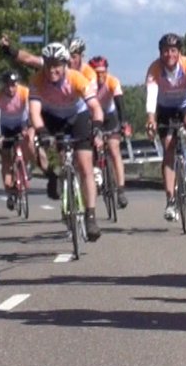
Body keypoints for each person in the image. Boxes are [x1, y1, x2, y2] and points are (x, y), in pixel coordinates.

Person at [29, 42, 106, 241]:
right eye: (48, 65)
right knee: (37, 141)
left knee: (85, 165)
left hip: (77, 116)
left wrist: (96, 126)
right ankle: (55, 176)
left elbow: (95, 107)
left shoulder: (76, 78)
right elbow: (35, 113)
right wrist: (43, 132)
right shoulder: (37, 81)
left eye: (57, 65)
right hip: (52, 118)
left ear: (65, 65)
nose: (52, 70)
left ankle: (90, 216)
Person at [144, 33, 186, 222]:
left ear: (179, 52)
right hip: (165, 108)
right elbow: (151, 96)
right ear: (160, 53)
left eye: (173, 50)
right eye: (165, 51)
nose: (169, 54)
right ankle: (170, 200)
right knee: (168, 148)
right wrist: (151, 119)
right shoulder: (154, 69)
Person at [0, 70, 42, 210]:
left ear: (17, 84)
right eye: (7, 85)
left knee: (28, 142)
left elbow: (29, 109)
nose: (10, 88)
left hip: (21, 124)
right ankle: (9, 192)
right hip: (5, 127)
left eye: (13, 85)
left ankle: (27, 166)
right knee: (6, 159)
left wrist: (28, 126)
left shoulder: (24, 92)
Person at [88, 55, 129, 209]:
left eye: (103, 72)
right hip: (93, 117)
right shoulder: (87, 83)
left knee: (114, 148)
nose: (100, 76)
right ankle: (96, 171)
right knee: (91, 146)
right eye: (96, 72)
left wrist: (124, 123)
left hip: (110, 116)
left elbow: (120, 104)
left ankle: (121, 189)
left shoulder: (112, 81)